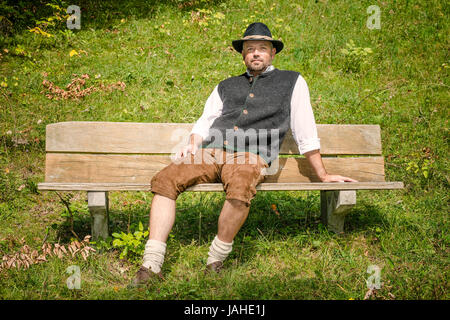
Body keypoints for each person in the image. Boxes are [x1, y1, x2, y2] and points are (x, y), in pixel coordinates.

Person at [130, 22, 357, 287]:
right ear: (243, 55)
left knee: (240, 188)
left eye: (262, 48)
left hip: (251, 155)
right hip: (211, 151)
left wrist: (322, 173)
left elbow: (304, 127)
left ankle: (215, 261)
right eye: (250, 49)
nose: (256, 53)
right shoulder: (226, 85)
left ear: (273, 53)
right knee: (164, 181)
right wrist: (193, 143)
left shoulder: (292, 82)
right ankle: (151, 264)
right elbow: (206, 120)